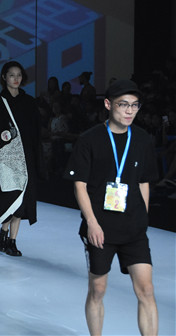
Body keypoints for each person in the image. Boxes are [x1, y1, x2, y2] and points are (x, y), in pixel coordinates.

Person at [64, 79, 159, 335]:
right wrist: (92, 223)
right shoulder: (89, 139)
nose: (129, 111)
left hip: (133, 229)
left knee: (146, 290)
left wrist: (143, 218)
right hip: (101, 228)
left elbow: (144, 181)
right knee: (98, 289)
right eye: (123, 105)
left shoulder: (142, 139)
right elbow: (80, 185)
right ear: (108, 104)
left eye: (135, 105)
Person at [0, 61, 41, 256]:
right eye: (11, 75)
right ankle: (3, 232)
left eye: (19, 75)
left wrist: (37, 160)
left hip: (26, 159)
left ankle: (12, 241)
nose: (16, 79)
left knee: (22, 201)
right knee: (8, 198)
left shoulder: (30, 103)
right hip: (5, 161)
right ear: (4, 77)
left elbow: (35, 133)